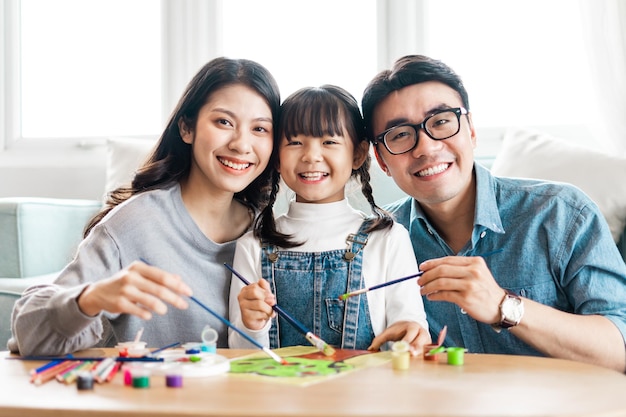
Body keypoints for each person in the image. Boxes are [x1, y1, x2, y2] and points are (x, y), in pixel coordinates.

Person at [361, 54, 626, 371]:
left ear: (471, 129)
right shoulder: (374, 240)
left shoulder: (562, 213)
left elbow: (618, 349)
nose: (426, 148)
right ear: (381, 159)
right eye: (401, 134)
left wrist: (503, 305)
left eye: (441, 122)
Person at [9, 57, 281, 356]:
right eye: (224, 122)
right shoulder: (133, 224)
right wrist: (92, 298)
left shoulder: (268, 234)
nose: (241, 144)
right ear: (186, 128)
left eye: (259, 129)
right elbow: (28, 331)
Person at [228, 85, 430, 354]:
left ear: (358, 154)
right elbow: (241, 354)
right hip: (279, 394)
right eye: (295, 142)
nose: (311, 156)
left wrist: (411, 333)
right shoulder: (252, 244)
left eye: (329, 142)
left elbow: (410, 329)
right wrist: (251, 324)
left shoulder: (389, 238)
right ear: (277, 157)